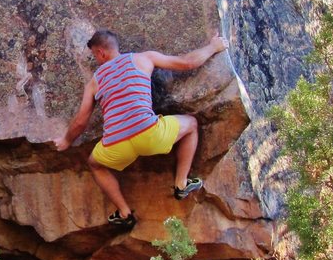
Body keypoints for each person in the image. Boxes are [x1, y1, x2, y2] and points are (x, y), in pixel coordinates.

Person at [54, 29, 228, 228]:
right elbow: (187, 62)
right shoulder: (143, 59)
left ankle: (124, 212)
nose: (96, 59)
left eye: (95, 55)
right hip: (150, 134)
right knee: (192, 124)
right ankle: (181, 183)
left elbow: (80, 122)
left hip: (116, 145)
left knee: (95, 164)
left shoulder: (95, 82)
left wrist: (67, 140)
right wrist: (214, 46)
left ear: (101, 52)